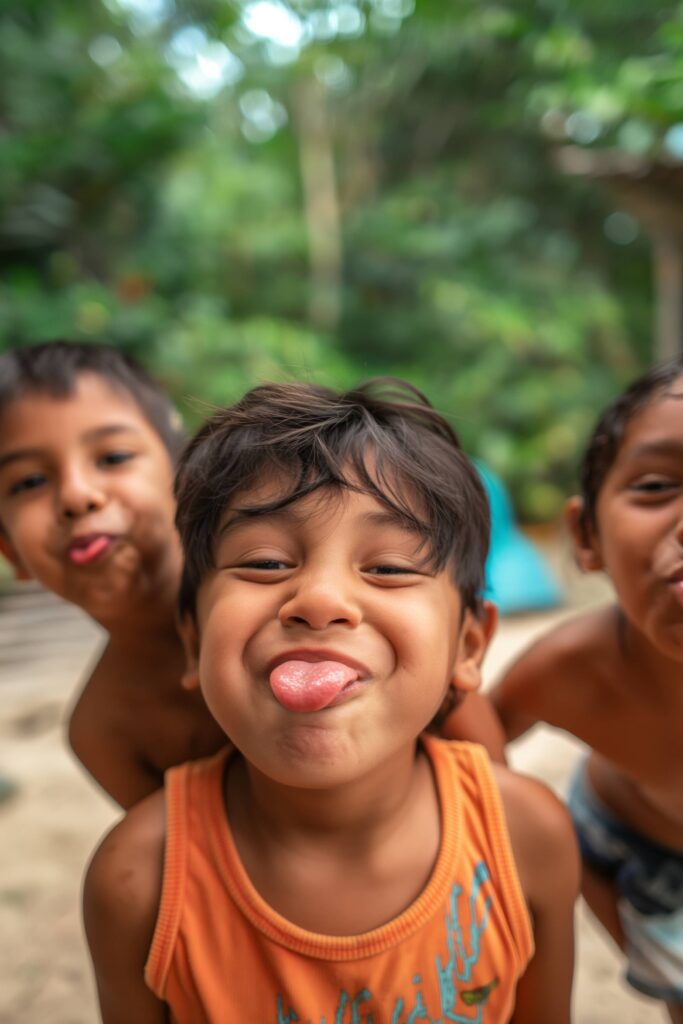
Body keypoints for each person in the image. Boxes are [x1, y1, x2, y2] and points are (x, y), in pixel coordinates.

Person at [84, 378, 579, 1022]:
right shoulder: (137, 882)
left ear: (468, 646)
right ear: (193, 638)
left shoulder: (526, 838)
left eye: (389, 567)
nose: (319, 601)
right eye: (264, 562)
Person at [491, 359, 683, 1022]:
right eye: (658, 485)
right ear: (585, 535)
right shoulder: (569, 665)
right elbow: (472, 740)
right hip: (629, 848)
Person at [0, 341, 225, 807]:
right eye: (29, 482)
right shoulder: (104, 732)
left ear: (184, 478)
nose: (77, 496)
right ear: (9, 551)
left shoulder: (282, 597)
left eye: (113, 458)